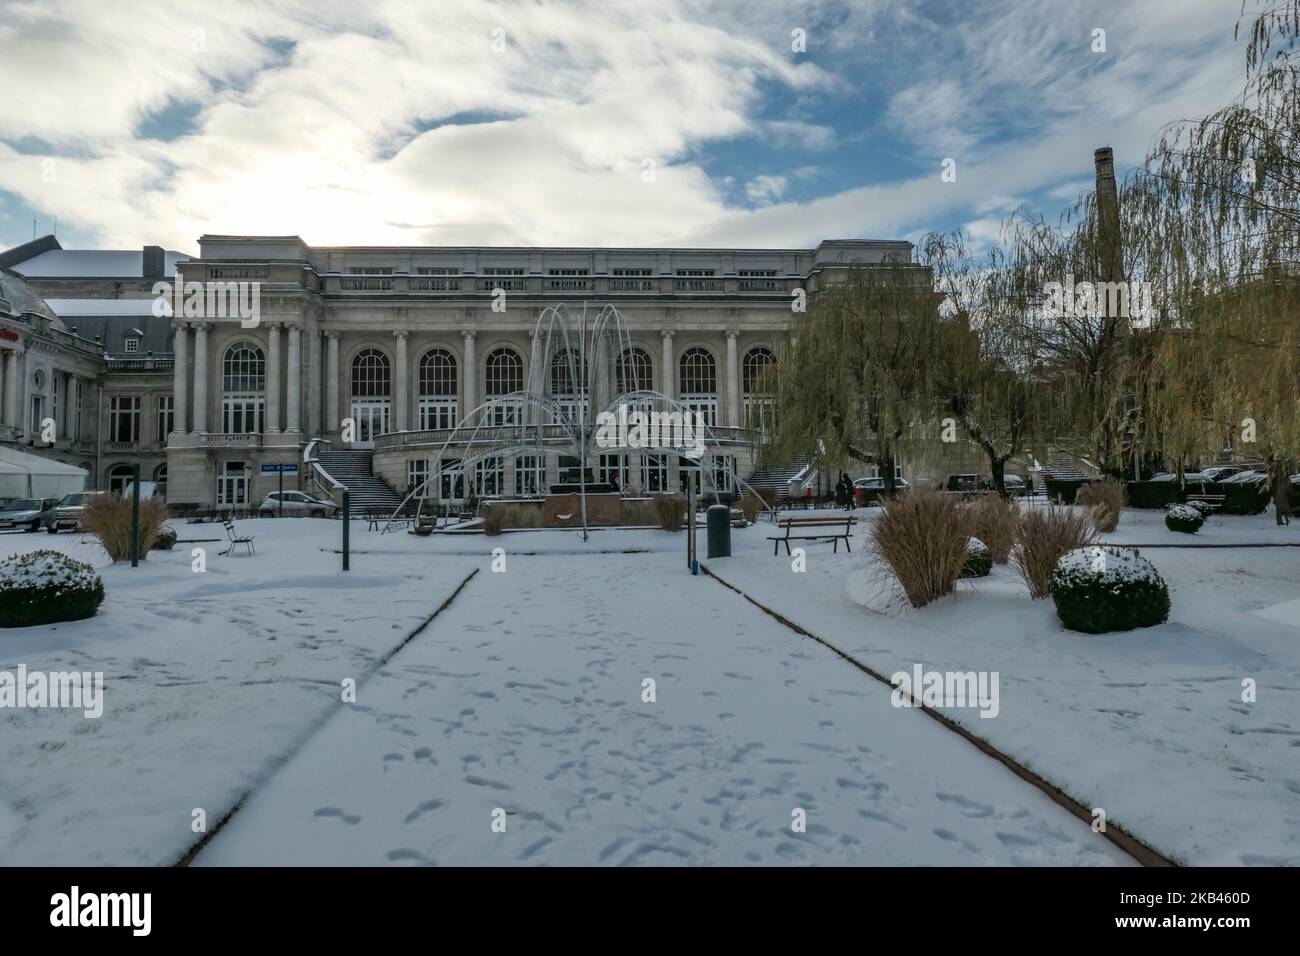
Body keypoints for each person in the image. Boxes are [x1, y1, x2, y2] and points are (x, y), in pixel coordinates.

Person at [1270, 459, 1292, 527]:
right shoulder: (1278, 475)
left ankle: (1284, 520)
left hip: (1280, 494)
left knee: (1282, 509)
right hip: (1279, 494)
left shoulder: (1281, 475)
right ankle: (1281, 521)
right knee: (1281, 509)